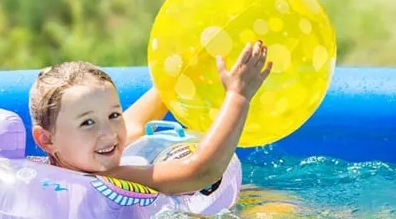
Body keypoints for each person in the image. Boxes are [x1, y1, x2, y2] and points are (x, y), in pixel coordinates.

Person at [28, 40, 272, 195]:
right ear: (46, 140)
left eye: (114, 114)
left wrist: (178, 77)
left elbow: (132, 125)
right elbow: (200, 172)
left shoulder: (58, 165)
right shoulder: (106, 179)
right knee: (276, 206)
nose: (109, 133)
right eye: (87, 122)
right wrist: (238, 94)